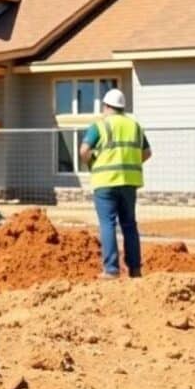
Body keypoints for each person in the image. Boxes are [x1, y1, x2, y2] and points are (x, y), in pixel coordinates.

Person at [79, 88, 152, 280]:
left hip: (105, 183)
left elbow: (84, 151)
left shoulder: (100, 126)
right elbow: (147, 153)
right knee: (129, 224)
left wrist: (92, 161)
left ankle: (111, 270)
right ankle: (135, 269)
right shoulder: (135, 126)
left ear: (106, 106)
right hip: (129, 182)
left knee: (107, 224)